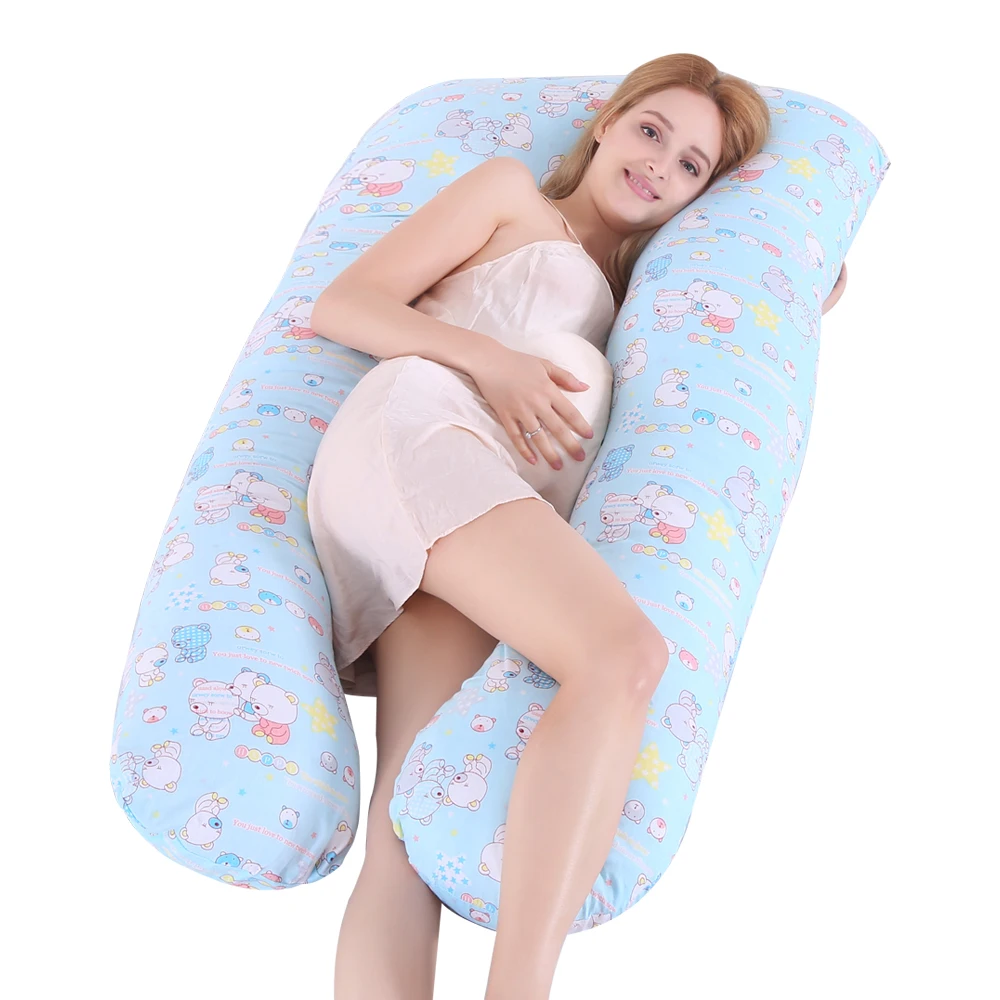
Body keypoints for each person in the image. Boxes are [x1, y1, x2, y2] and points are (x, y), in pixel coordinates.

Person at [306, 53, 845, 1000]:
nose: (660, 164)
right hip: (420, 435)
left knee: (401, 835)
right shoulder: (511, 197)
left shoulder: (649, 298)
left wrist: (795, 276)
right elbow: (344, 304)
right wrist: (492, 361)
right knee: (623, 654)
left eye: (691, 165)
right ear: (606, 123)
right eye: (651, 131)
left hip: (481, 508)